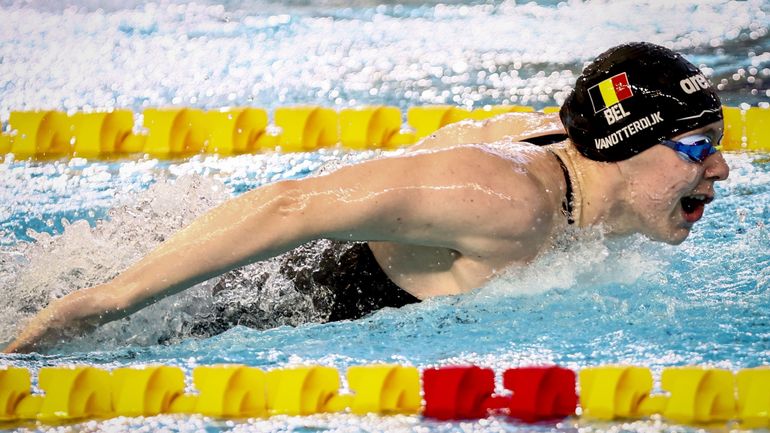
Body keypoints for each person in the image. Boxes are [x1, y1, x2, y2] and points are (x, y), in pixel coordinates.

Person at [4, 42, 729, 353]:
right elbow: (295, 205)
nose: (721, 169)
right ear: (629, 146)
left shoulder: (578, 165)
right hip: (238, 302)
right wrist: (112, 299)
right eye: (699, 147)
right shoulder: (505, 200)